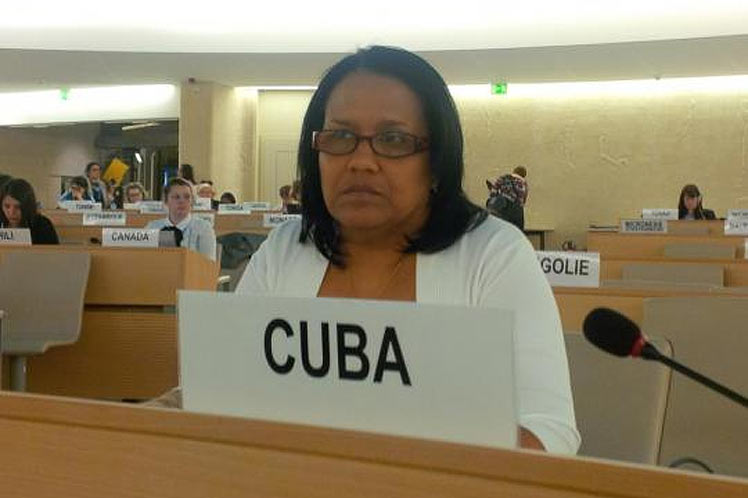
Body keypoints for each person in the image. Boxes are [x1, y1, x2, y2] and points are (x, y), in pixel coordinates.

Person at [236, 46, 579, 454]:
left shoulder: (495, 255)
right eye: (340, 137)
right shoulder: (282, 251)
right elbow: (227, 393)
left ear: (436, 163)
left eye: (393, 140)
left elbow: (547, 434)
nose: (361, 162)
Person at [145, 177, 216, 261]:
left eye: (187, 197)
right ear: (166, 201)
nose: (182, 201)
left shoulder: (204, 228)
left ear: (192, 201)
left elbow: (208, 263)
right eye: (176, 197)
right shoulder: (152, 227)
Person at [0, 178, 59, 244]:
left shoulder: (43, 226)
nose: (11, 212)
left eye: (18, 207)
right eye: (7, 206)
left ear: (28, 207)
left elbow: (53, 250)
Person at [486, 166, 529, 230]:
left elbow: (493, 191)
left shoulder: (504, 177)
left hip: (504, 207)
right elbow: (523, 201)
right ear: (524, 175)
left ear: (514, 171)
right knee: (516, 230)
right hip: (517, 210)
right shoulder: (524, 184)